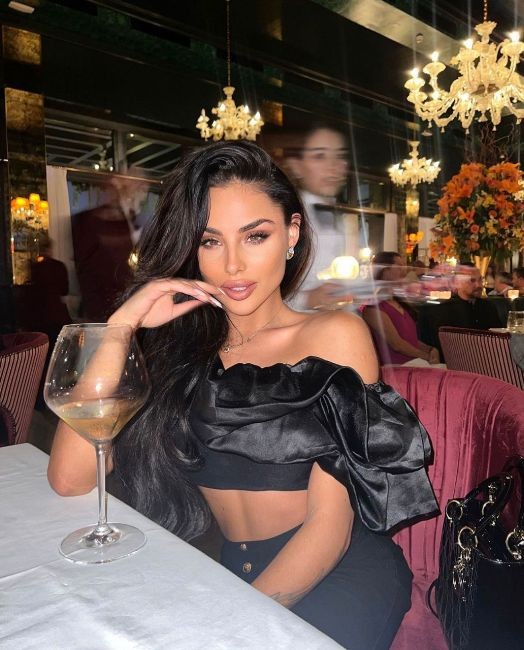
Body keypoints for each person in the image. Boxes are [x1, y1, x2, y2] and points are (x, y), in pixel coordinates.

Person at [48, 141, 437, 650]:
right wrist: (124, 326)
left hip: (338, 570)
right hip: (230, 568)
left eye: (255, 236)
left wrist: (238, 620)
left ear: (291, 234)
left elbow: (331, 526)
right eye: (211, 241)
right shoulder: (176, 349)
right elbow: (70, 478)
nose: (233, 265)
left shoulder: (334, 335)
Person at [285, 124, 353, 310]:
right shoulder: (285, 217)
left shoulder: (344, 219)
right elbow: (262, 292)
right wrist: (308, 299)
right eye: (319, 156)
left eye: (340, 156)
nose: (333, 167)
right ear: (297, 166)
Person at [71, 174, 149, 321]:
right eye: (118, 188)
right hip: (100, 308)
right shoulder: (86, 220)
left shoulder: (130, 220)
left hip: (126, 303)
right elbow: (88, 267)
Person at [361, 252, 439, 365]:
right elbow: (397, 344)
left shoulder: (399, 302)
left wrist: (430, 350)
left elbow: (410, 339)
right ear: (385, 270)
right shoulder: (373, 308)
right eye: (399, 266)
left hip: (414, 362)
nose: (404, 270)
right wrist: (426, 357)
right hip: (398, 367)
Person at [418, 262, 503, 358]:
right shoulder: (444, 310)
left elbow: (499, 336)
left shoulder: (489, 307)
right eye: (472, 280)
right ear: (458, 283)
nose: (478, 285)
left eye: (480, 280)